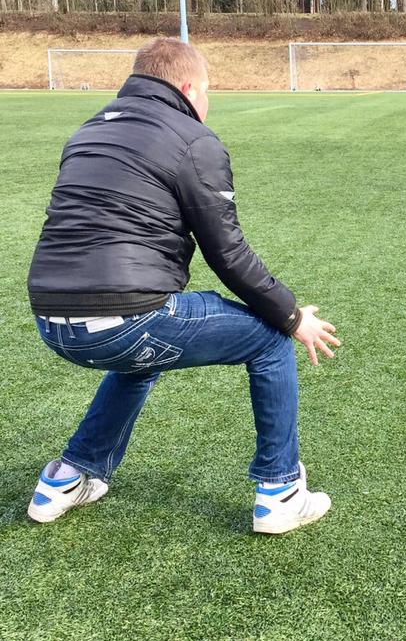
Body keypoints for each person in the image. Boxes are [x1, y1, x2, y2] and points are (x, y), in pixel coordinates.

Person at [26, 37, 340, 535]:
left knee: (143, 357)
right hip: (124, 317)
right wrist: (292, 315)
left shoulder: (89, 129)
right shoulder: (194, 139)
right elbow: (228, 253)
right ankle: (280, 492)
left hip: (49, 319)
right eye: (209, 89)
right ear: (189, 87)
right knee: (271, 338)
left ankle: (69, 475)